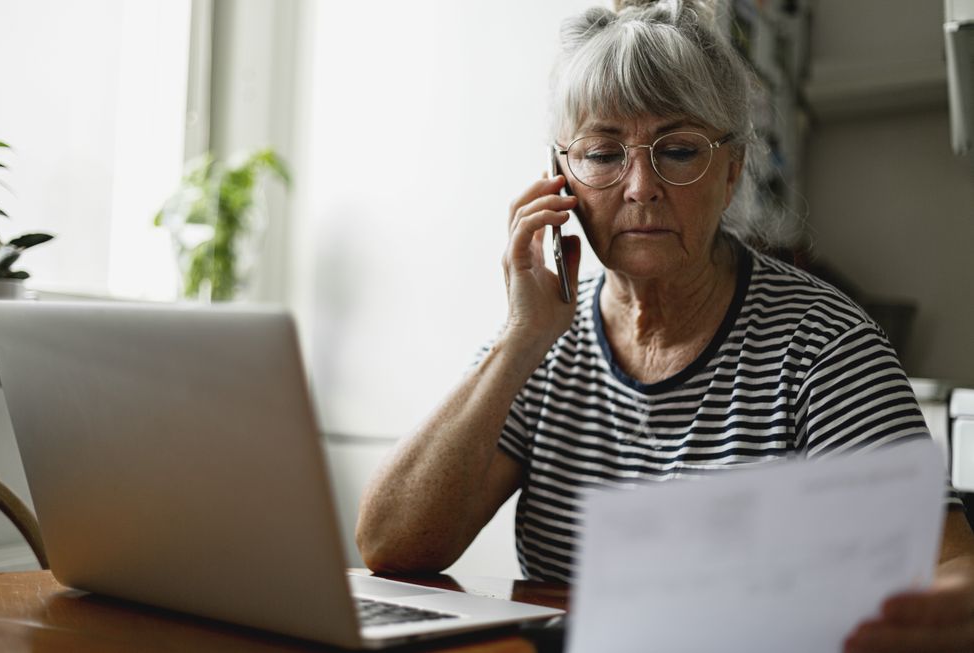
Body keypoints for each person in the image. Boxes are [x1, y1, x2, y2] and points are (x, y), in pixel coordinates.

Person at [356, 1, 974, 650]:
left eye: (678, 150)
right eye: (603, 153)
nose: (641, 185)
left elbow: (951, 571)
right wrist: (519, 339)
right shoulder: (540, 338)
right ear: (560, 177)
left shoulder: (823, 344)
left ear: (732, 170)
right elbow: (390, 543)